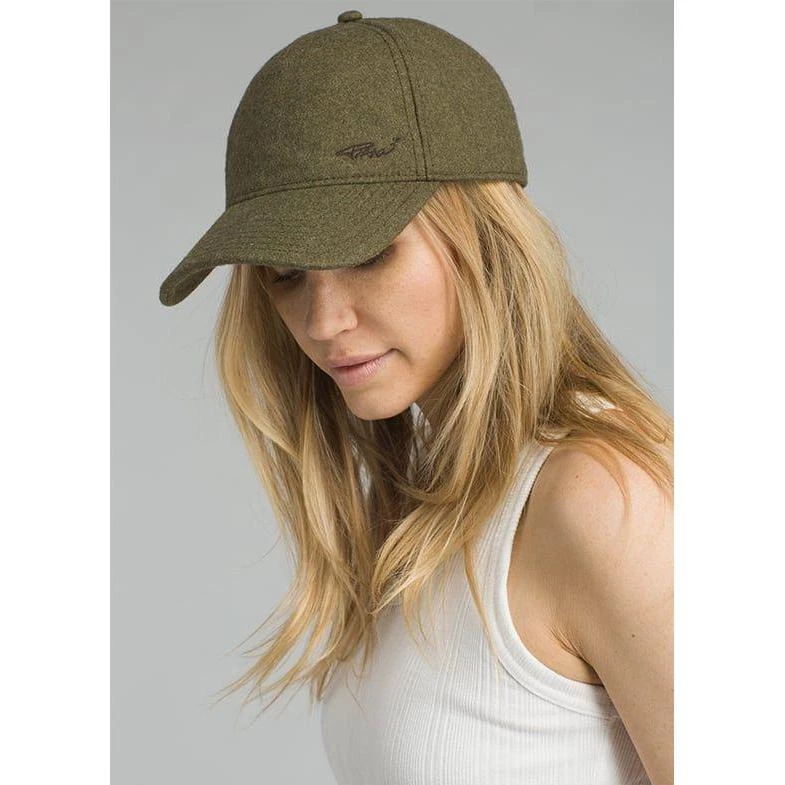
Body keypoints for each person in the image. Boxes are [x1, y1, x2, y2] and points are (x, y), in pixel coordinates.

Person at [158, 10, 673, 785]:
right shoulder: (424, 506)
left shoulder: (599, 495)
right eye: (284, 274)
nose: (322, 322)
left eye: (368, 252)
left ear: (486, 236)